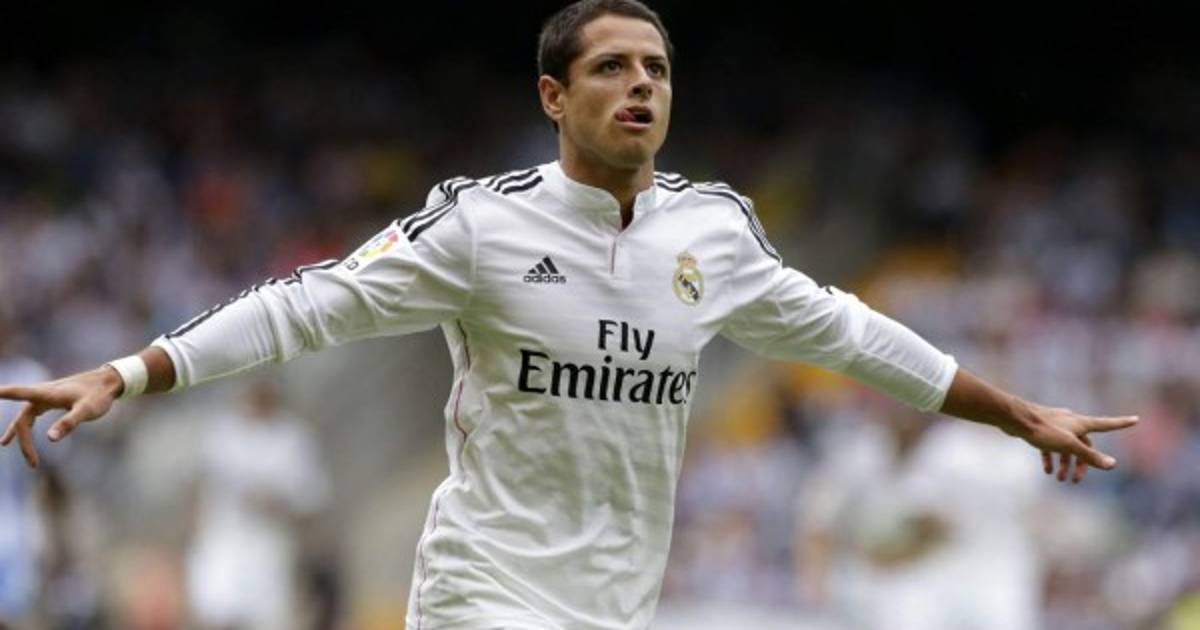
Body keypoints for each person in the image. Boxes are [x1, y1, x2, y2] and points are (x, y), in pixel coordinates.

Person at [0, 1, 1138, 628]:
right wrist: (130, 371)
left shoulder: (715, 235)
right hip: (485, 590)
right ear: (554, 96)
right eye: (612, 68)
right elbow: (309, 306)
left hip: (618, 600)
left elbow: (852, 334)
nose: (642, 85)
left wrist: (1014, 410)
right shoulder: (480, 226)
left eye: (658, 68)